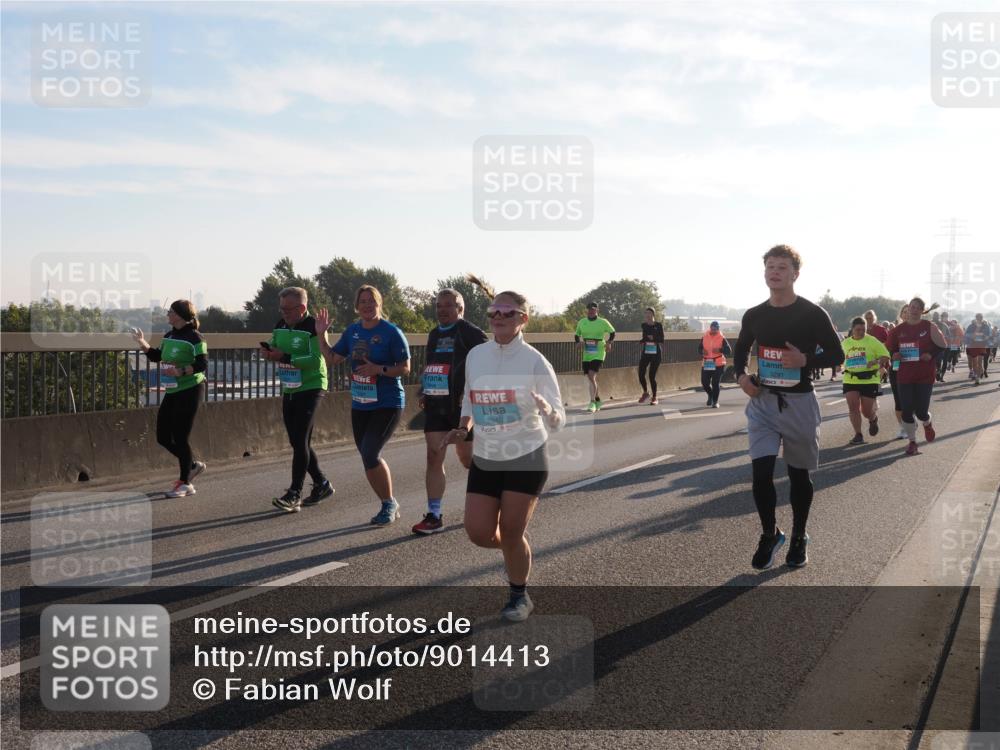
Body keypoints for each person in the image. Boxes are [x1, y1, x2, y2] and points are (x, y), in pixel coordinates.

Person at [442, 284, 564, 622]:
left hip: (526, 454)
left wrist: (548, 411)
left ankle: (519, 596)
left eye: (506, 312)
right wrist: (464, 427)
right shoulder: (477, 355)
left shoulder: (535, 362)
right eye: (493, 312)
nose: (498, 317)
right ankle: (516, 550)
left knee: (510, 531)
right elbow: (469, 396)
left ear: (522, 319)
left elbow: (559, 418)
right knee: (478, 532)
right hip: (488, 453)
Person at [733, 245, 844, 570]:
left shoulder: (812, 313)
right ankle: (770, 533)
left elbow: (838, 354)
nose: (774, 272)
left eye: (782, 267)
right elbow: (740, 349)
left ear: (795, 274)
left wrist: (805, 360)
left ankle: (799, 535)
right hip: (763, 402)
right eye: (770, 266)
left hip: (798, 403)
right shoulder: (754, 314)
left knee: (798, 477)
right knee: (761, 473)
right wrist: (741, 378)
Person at [315, 286, 411, 525]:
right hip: (361, 402)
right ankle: (389, 501)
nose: (367, 306)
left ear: (379, 304)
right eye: (363, 302)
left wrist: (378, 369)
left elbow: (405, 367)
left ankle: (388, 504)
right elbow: (333, 358)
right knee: (367, 456)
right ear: (356, 306)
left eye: (372, 301)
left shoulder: (391, 332)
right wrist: (321, 334)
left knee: (370, 452)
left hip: (388, 402)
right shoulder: (353, 331)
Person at [414, 288, 488, 535]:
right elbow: (432, 364)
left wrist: (472, 389)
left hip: (461, 407)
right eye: (439, 306)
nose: (443, 310)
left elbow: (488, 361)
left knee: (467, 460)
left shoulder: (470, 332)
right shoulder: (434, 334)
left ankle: (491, 495)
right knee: (433, 456)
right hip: (436, 405)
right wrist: (425, 389)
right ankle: (434, 515)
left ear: (460, 309)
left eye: (448, 305)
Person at [261, 287, 334, 512]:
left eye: (288, 309)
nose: (284, 313)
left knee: (301, 437)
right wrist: (269, 351)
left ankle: (295, 493)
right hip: (291, 386)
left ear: (302, 308)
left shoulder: (313, 327)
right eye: (281, 308)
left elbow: (314, 359)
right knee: (296, 441)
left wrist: (284, 356)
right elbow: (274, 342)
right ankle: (321, 483)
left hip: (312, 385)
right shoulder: (281, 325)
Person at [131, 300, 208, 498]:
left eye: (170, 312)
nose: (167, 314)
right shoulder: (169, 335)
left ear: (180, 315)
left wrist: (180, 371)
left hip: (191, 389)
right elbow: (157, 356)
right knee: (163, 437)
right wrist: (142, 343)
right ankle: (191, 465)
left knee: (181, 436)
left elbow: (202, 363)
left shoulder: (195, 337)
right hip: (173, 390)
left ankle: (185, 483)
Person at [886, 298, 948, 456]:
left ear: (922, 310)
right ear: (907, 310)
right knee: (906, 412)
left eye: (917, 308)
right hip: (904, 375)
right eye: (911, 307)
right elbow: (890, 349)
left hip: (924, 375)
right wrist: (895, 354)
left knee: (921, 412)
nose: (913, 310)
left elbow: (942, 345)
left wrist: (930, 354)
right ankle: (912, 442)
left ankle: (927, 423)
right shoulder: (898, 330)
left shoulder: (929, 327)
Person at [841, 317, 891, 444]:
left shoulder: (872, 341)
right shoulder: (845, 343)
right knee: (853, 407)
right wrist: (837, 364)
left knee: (866, 411)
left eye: (863, 330)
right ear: (852, 330)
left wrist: (877, 361)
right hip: (850, 379)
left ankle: (873, 419)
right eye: (858, 330)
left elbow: (886, 356)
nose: (861, 332)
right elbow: (840, 359)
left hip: (869, 379)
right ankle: (858, 434)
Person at [574, 302, 615, 412]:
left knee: (591, 376)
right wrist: (578, 343)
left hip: (599, 352)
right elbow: (577, 335)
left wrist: (609, 343)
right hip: (587, 353)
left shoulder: (603, 322)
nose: (591, 311)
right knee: (590, 378)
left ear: (597, 310)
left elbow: (612, 332)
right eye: (589, 309)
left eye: (593, 309)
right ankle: (597, 400)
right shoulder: (582, 322)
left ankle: (592, 402)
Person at [887, 304, 911, 439]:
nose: (907, 314)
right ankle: (903, 427)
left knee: (911, 400)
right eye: (904, 312)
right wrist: (894, 355)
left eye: (909, 311)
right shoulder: (895, 331)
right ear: (901, 315)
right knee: (898, 399)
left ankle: (910, 420)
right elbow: (889, 348)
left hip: (914, 368)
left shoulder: (919, 330)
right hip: (897, 367)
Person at [698, 321, 732, 408]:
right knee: (704, 382)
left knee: (715, 383)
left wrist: (720, 350)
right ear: (710, 328)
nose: (714, 330)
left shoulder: (721, 337)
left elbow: (729, 350)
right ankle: (710, 395)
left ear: (718, 329)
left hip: (719, 363)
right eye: (712, 328)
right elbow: (699, 349)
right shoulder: (705, 337)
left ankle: (715, 401)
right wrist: (702, 351)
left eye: (716, 329)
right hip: (707, 362)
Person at [638, 307, 665, 405]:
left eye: (649, 313)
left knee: (651, 376)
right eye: (646, 313)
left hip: (656, 353)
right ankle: (645, 392)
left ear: (653, 315)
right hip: (646, 352)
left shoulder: (658, 325)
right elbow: (644, 337)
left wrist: (654, 339)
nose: (647, 315)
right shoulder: (644, 325)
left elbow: (662, 339)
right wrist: (642, 341)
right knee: (641, 373)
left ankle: (654, 397)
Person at [965, 313, 992, 386]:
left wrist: (984, 336)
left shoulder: (986, 326)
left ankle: (978, 378)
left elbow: (989, 335)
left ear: (982, 318)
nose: (979, 319)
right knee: (974, 362)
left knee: (979, 362)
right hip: (973, 345)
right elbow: (967, 334)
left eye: (980, 318)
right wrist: (973, 335)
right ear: (976, 318)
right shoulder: (971, 326)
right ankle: (976, 375)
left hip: (981, 345)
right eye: (978, 318)